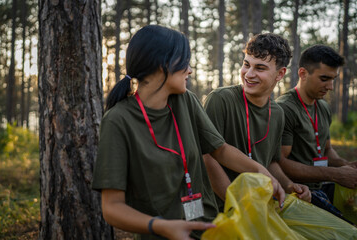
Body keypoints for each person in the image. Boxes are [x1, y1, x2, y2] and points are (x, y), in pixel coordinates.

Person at [92, 25, 284, 240]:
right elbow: (112, 208)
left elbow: (220, 150)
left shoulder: (186, 101)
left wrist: (263, 173)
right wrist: (161, 226)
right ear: (162, 65)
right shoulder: (118, 121)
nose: (190, 70)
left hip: (211, 229)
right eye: (184, 62)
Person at [203, 33, 311, 212]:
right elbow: (207, 157)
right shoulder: (220, 99)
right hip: (221, 209)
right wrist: (235, 205)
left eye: (260, 68)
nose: (249, 74)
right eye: (246, 65)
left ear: (280, 74)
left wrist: (290, 186)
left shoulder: (277, 113)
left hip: (259, 207)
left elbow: (270, 162)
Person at [276, 44, 357, 220]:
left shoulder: (323, 107)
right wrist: (336, 174)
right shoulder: (285, 109)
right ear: (303, 74)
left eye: (333, 79)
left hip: (322, 186)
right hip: (297, 193)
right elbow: (280, 162)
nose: (331, 86)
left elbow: (327, 150)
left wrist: (347, 166)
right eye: (324, 79)